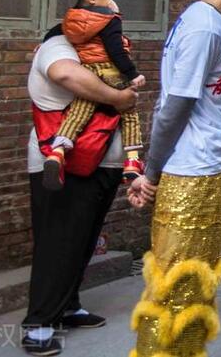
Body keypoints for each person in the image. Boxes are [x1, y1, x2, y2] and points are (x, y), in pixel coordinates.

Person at [125, 0, 221, 357]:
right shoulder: (203, 26)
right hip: (192, 172)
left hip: (206, 166)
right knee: (177, 285)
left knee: (195, 281)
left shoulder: (211, 21)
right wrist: (151, 172)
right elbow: (175, 105)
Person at [20, 29, 138, 356]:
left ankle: (68, 306)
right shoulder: (57, 46)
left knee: (82, 241)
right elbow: (65, 74)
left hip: (102, 163)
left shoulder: (96, 52)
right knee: (58, 243)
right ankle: (38, 324)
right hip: (66, 167)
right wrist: (118, 98)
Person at [42, 0, 147, 191]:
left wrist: (43, 43)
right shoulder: (109, 20)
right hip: (110, 71)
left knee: (79, 111)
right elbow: (116, 50)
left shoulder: (72, 18)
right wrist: (132, 74)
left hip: (88, 72)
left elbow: (57, 30)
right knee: (129, 112)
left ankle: (57, 152)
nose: (112, 2)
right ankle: (132, 161)